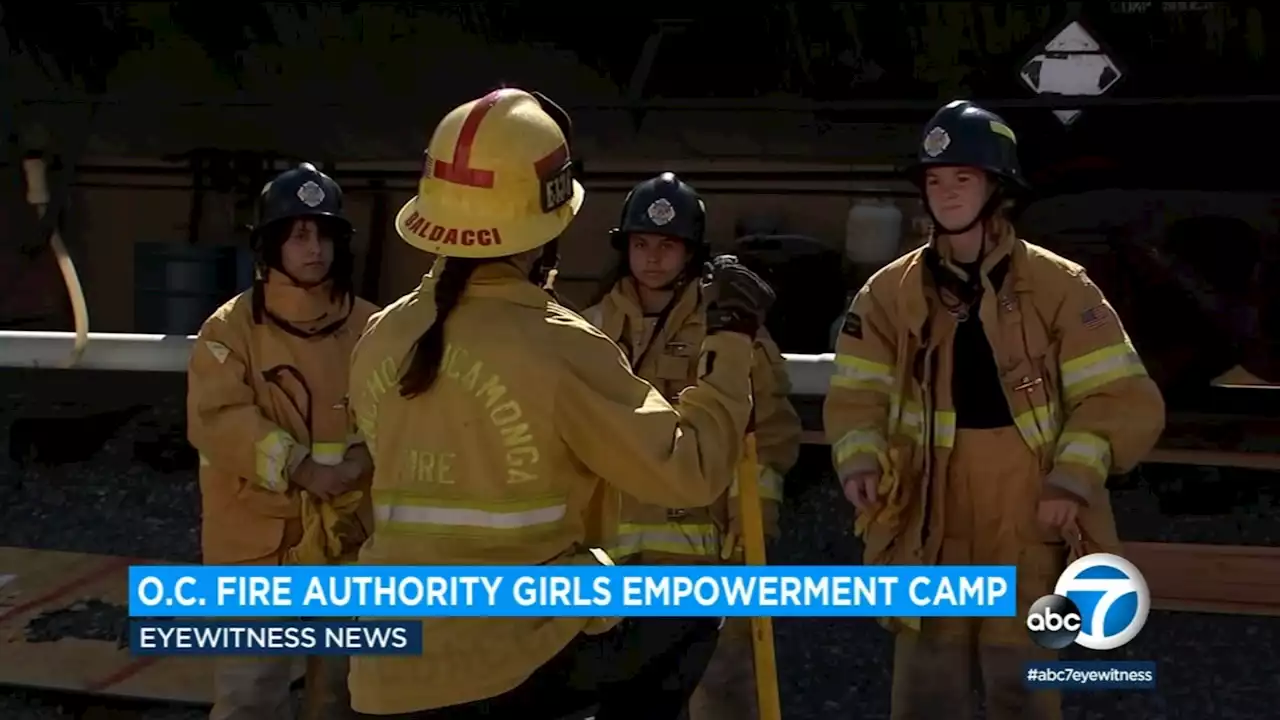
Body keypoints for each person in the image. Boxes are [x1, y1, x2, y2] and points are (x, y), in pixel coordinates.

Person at [345, 88, 776, 720]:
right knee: (687, 607)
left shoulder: (380, 335)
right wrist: (732, 344)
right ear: (547, 222)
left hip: (387, 667)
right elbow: (692, 469)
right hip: (506, 667)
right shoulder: (558, 343)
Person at [823, 100, 1165, 720]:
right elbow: (855, 393)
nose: (946, 193)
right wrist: (860, 459)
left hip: (1027, 499)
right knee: (927, 681)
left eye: (963, 178)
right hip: (929, 500)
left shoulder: (1060, 286)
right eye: (934, 180)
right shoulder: (888, 293)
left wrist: (1073, 476)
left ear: (997, 189)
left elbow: (1120, 396)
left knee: (1024, 678)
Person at [582, 172, 802, 720]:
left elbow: (769, 428)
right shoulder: (587, 328)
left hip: (702, 545)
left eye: (667, 245)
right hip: (609, 552)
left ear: (691, 253)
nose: (652, 258)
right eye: (641, 244)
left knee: (717, 693)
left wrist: (757, 526)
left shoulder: (729, 324)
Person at [187, 163, 381, 720]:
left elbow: (401, 415)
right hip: (253, 551)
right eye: (297, 234)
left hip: (349, 546)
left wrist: (364, 458)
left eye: (323, 234)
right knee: (249, 697)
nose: (313, 247)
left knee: (344, 699)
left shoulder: (375, 329)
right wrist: (304, 468)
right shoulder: (227, 331)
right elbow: (217, 418)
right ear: (270, 244)